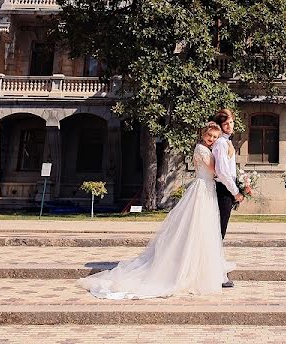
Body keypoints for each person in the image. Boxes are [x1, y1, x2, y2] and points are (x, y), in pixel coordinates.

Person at [78, 122, 235, 299]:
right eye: (209, 136)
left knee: (204, 230)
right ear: (203, 134)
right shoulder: (201, 149)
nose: (211, 139)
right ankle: (187, 270)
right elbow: (215, 170)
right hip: (202, 189)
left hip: (208, 189)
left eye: (214, 137)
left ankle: (200, 268)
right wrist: (227, 154)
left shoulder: (208, 148)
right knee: (196, 226)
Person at [212, 108, 244, 287]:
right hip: (223, 190)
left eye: (231, 122)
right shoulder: (220, 144)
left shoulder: (226, 142)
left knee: (219, 233)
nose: (230, 126)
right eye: (226, 124)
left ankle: (216, 272)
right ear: (220, 125)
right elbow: (222, 172)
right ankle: (216, 275)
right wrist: (235, 192)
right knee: (218, 233)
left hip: (227, 189)